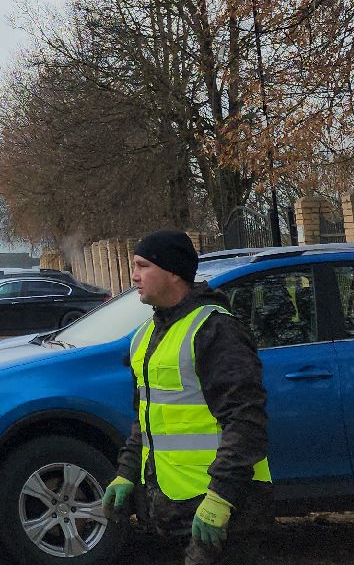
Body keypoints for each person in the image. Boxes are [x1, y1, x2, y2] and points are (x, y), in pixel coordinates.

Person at [103, 230, 270, 564]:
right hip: (171, 510)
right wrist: (126, 472)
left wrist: (221, 498)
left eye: (142, 266)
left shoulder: (215, 330)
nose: (133, 276)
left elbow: (246, 420)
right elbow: (147, 420)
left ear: (173, 272)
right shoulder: (147, 335)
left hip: (223, 512)